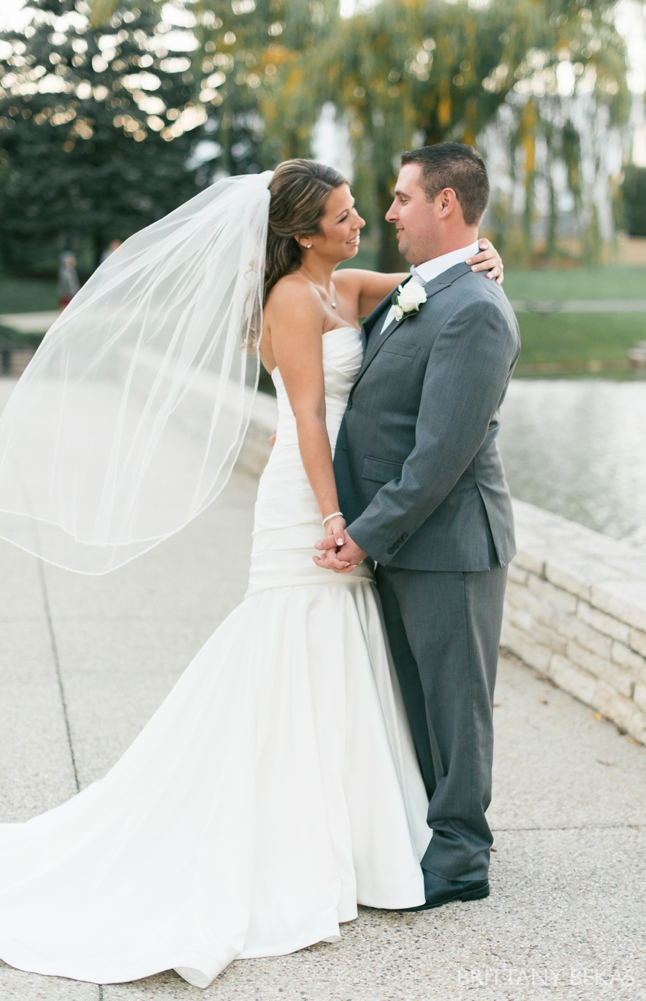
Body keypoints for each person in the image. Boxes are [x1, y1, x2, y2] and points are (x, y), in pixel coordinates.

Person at [0, 158, 504, 989]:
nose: (362, 220)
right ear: (302, 233)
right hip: (309, 494)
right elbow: (308, 413)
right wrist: (335, 519)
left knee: (340, 645)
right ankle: (290, 831)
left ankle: (352, 828)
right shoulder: (291, 299)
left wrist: (484, 256)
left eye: (366, 207)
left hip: (342, 493)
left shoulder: (347, 285)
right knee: (295, 637)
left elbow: (430, 290)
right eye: (343, 214)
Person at [315, 143, 520, 910]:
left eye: (402, 198)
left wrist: (365, 532)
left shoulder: (476, 310)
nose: (389, 212)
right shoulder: (424, 288)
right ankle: (431, 830)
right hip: (405, 540)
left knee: (457, 704)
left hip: (451, 541)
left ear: (446, 203)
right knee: (419, 700)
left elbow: (439, 455)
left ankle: (462, 856)